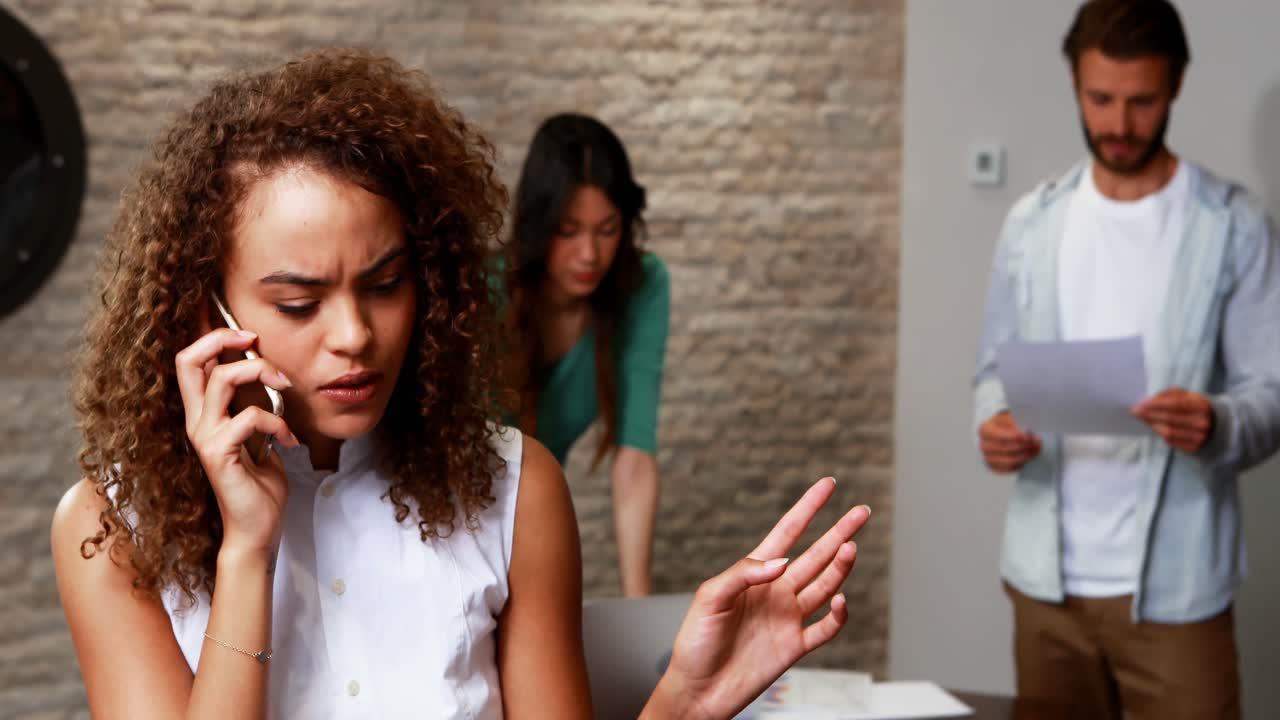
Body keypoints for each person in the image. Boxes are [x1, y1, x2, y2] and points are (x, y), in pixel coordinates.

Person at [51, 49, 869, 719]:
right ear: (211, 308)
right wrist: (246, 554)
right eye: (299, 301)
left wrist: (685, 702)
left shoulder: (516, 491)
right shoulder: (111, 527)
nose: (355, 336)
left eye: (385, 284)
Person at [973, 2, 1280, 718]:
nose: (1117, 124)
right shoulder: (1032, 223)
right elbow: (992, 373)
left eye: (1141, 101)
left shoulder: (1232, 226)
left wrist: (1218, 421)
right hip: (1044, 586)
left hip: (1180, 588)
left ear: (1175, 86)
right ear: (1075, 85)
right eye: (1099, 99)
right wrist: (993, 425)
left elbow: (1272, 390)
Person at [503, 113, 668, 597]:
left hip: (532, 524)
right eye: (568, 230)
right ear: (537, 226)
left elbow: (634, 457)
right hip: (454, 532)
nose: (590, 254)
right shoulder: (485, 289)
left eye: (607, 229)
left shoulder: (642, 287)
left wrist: (638, 607)